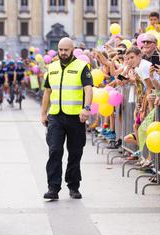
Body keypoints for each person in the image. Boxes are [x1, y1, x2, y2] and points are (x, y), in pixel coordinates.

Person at [41, 37, 93, 200]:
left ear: (72, 50)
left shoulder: (82, 66)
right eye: (61, 49)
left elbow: (88, 89)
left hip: (76, 117)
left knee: (75, 153)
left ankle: (73, 185)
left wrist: (86, 108)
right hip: (56, 116)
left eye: (66, 50)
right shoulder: (52, 67)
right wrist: (43, 113)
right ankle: (53, 187)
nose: (63, 53)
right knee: (55, 150)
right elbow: (47, 92)